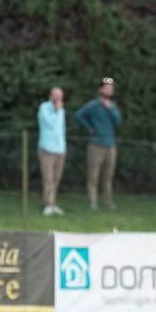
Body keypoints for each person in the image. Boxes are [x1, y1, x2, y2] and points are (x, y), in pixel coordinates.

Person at [73, 77, 122, 211]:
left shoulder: (113, 106)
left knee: (108, 177)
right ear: (100, 90)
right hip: (96, 145)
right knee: (93, 176)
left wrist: (110, 109)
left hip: (110, 145)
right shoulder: (93, 105)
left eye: (110, 88)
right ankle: (92, 202)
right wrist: (89, 127)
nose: (109, 90)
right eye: (106, 87)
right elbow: (78, 115)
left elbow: (118, 122)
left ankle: (107, 202)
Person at [37, 87, 67, 216]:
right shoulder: (44, 108)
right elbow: (51, 124)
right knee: (48, 178)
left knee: (56, 178)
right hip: (47, 149)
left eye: (60, 96)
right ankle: (48, 204)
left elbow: (61, 130)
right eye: (56, 95)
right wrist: (56, 110)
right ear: (50, 96)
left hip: (60, 149)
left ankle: (53, 203)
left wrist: (64, 146)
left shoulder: (61, 111)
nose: (58, 98)